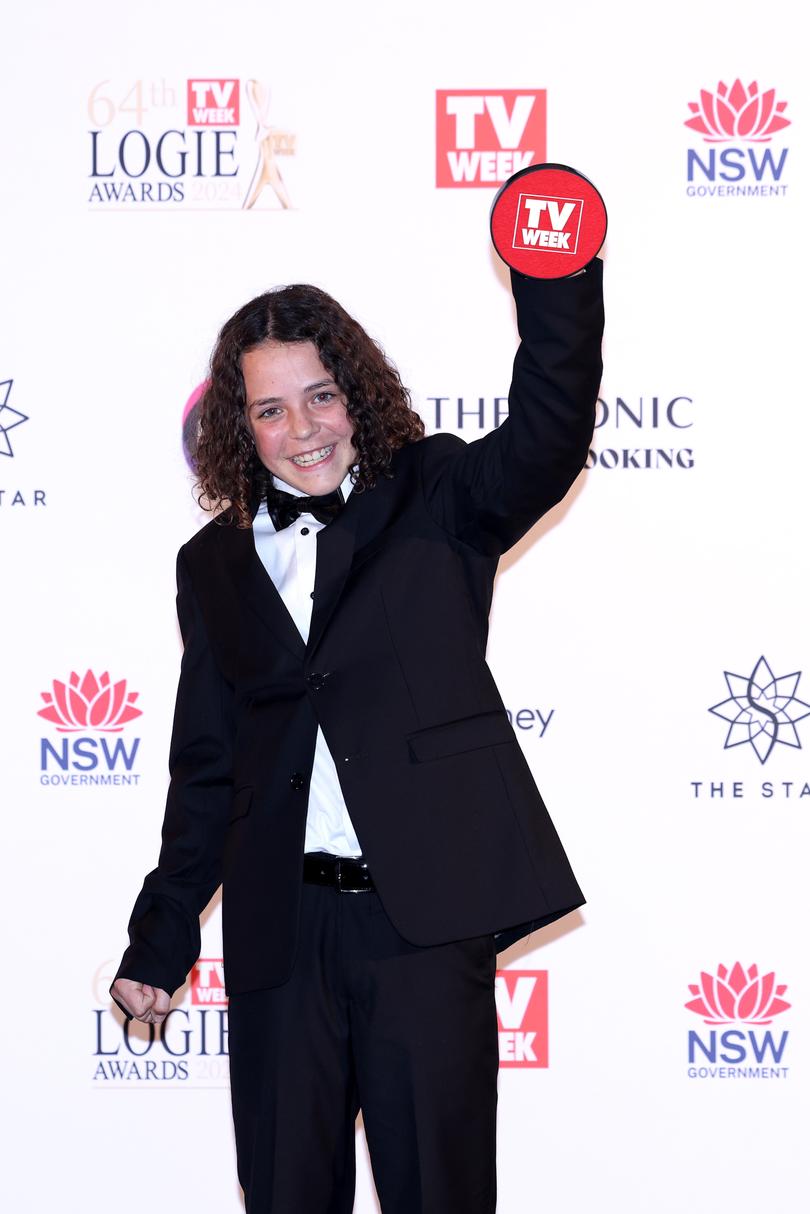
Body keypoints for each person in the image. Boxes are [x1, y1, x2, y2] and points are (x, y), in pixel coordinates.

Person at [111, 259, 604, 1213]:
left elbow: (548, 438)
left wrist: (556, 278)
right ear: (238, 428)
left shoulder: (436, 497)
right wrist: (160, 939)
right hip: (278, 936)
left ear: (356, 393)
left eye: (321, 397)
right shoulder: (209, 563)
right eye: (269, 411)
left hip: (418, 924)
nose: (302, 432)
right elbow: (208, 770)